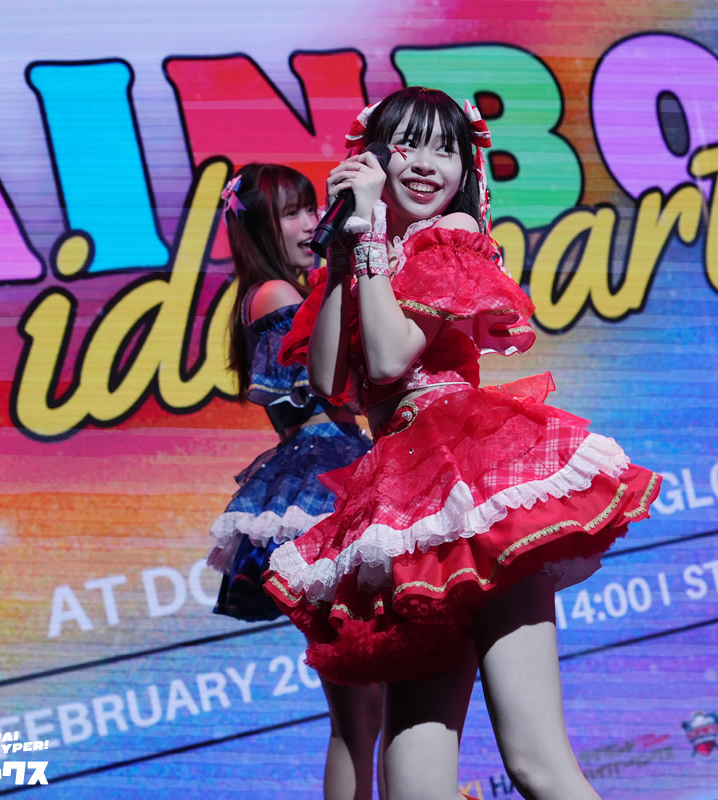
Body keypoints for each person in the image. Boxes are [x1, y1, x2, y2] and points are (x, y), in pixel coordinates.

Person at [264, 87, 661, 800]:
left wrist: (371, 247)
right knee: (413, 788)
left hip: (471, 488)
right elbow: (331, 384)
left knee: (536, 763)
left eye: (445, 150)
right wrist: (348, 247)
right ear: (372, 158)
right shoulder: (365, 250)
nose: (427, 164)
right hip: (403, 508)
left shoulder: (448, 235)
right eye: (408, 145)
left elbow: (389, 359)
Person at [205, 163, 382, 800]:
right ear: (257, 226)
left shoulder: (281, 289)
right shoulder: (276, 294)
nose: (311, 223)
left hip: (334, 472)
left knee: (366, 707)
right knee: (358, 711)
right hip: (323, 487)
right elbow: (331, 386)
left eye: (312, 208)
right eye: (292, 213)